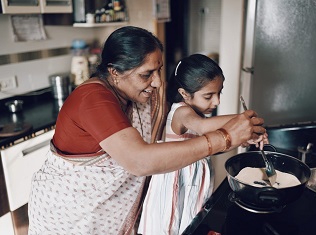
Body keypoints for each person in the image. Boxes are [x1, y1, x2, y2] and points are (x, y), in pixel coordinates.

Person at [28, 26, 267, 235]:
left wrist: (240, 135)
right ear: (114, 72)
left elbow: (173, 147)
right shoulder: (93, 99)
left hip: (110, 214)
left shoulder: (141, 96)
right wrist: (226, 137)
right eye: (146, 74)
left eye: (158, 70)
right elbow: (139, 160)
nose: (157, 82)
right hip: (73, 216)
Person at [137, 54, 268, 234]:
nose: (217, 101)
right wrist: (242, 120)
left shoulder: (196, 112)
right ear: (184, 93)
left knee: (191, 226)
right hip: (176, 187)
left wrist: (242, 138)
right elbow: (203, 126)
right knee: (171, 226)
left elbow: (214, 146)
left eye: (219, 93)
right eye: (209, 96)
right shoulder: (182, 112)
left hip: (192, 186)